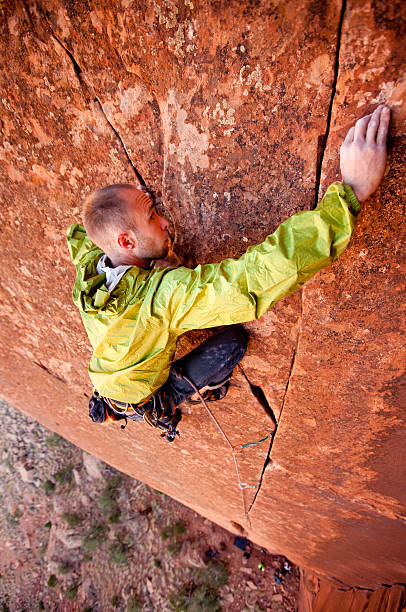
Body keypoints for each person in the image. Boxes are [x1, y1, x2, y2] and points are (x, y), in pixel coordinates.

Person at [67, 105, 390, 440]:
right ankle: (172, 397)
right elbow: (251, 279)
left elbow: (80, 234)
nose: (164, 221)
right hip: (140, 394)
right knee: (233, 343)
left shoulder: (91, 267)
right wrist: (350, 193)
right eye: (152, 215)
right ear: (125, 241)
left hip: (108, 381)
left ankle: (133, 402)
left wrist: (127, 212)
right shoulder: (161, 300)